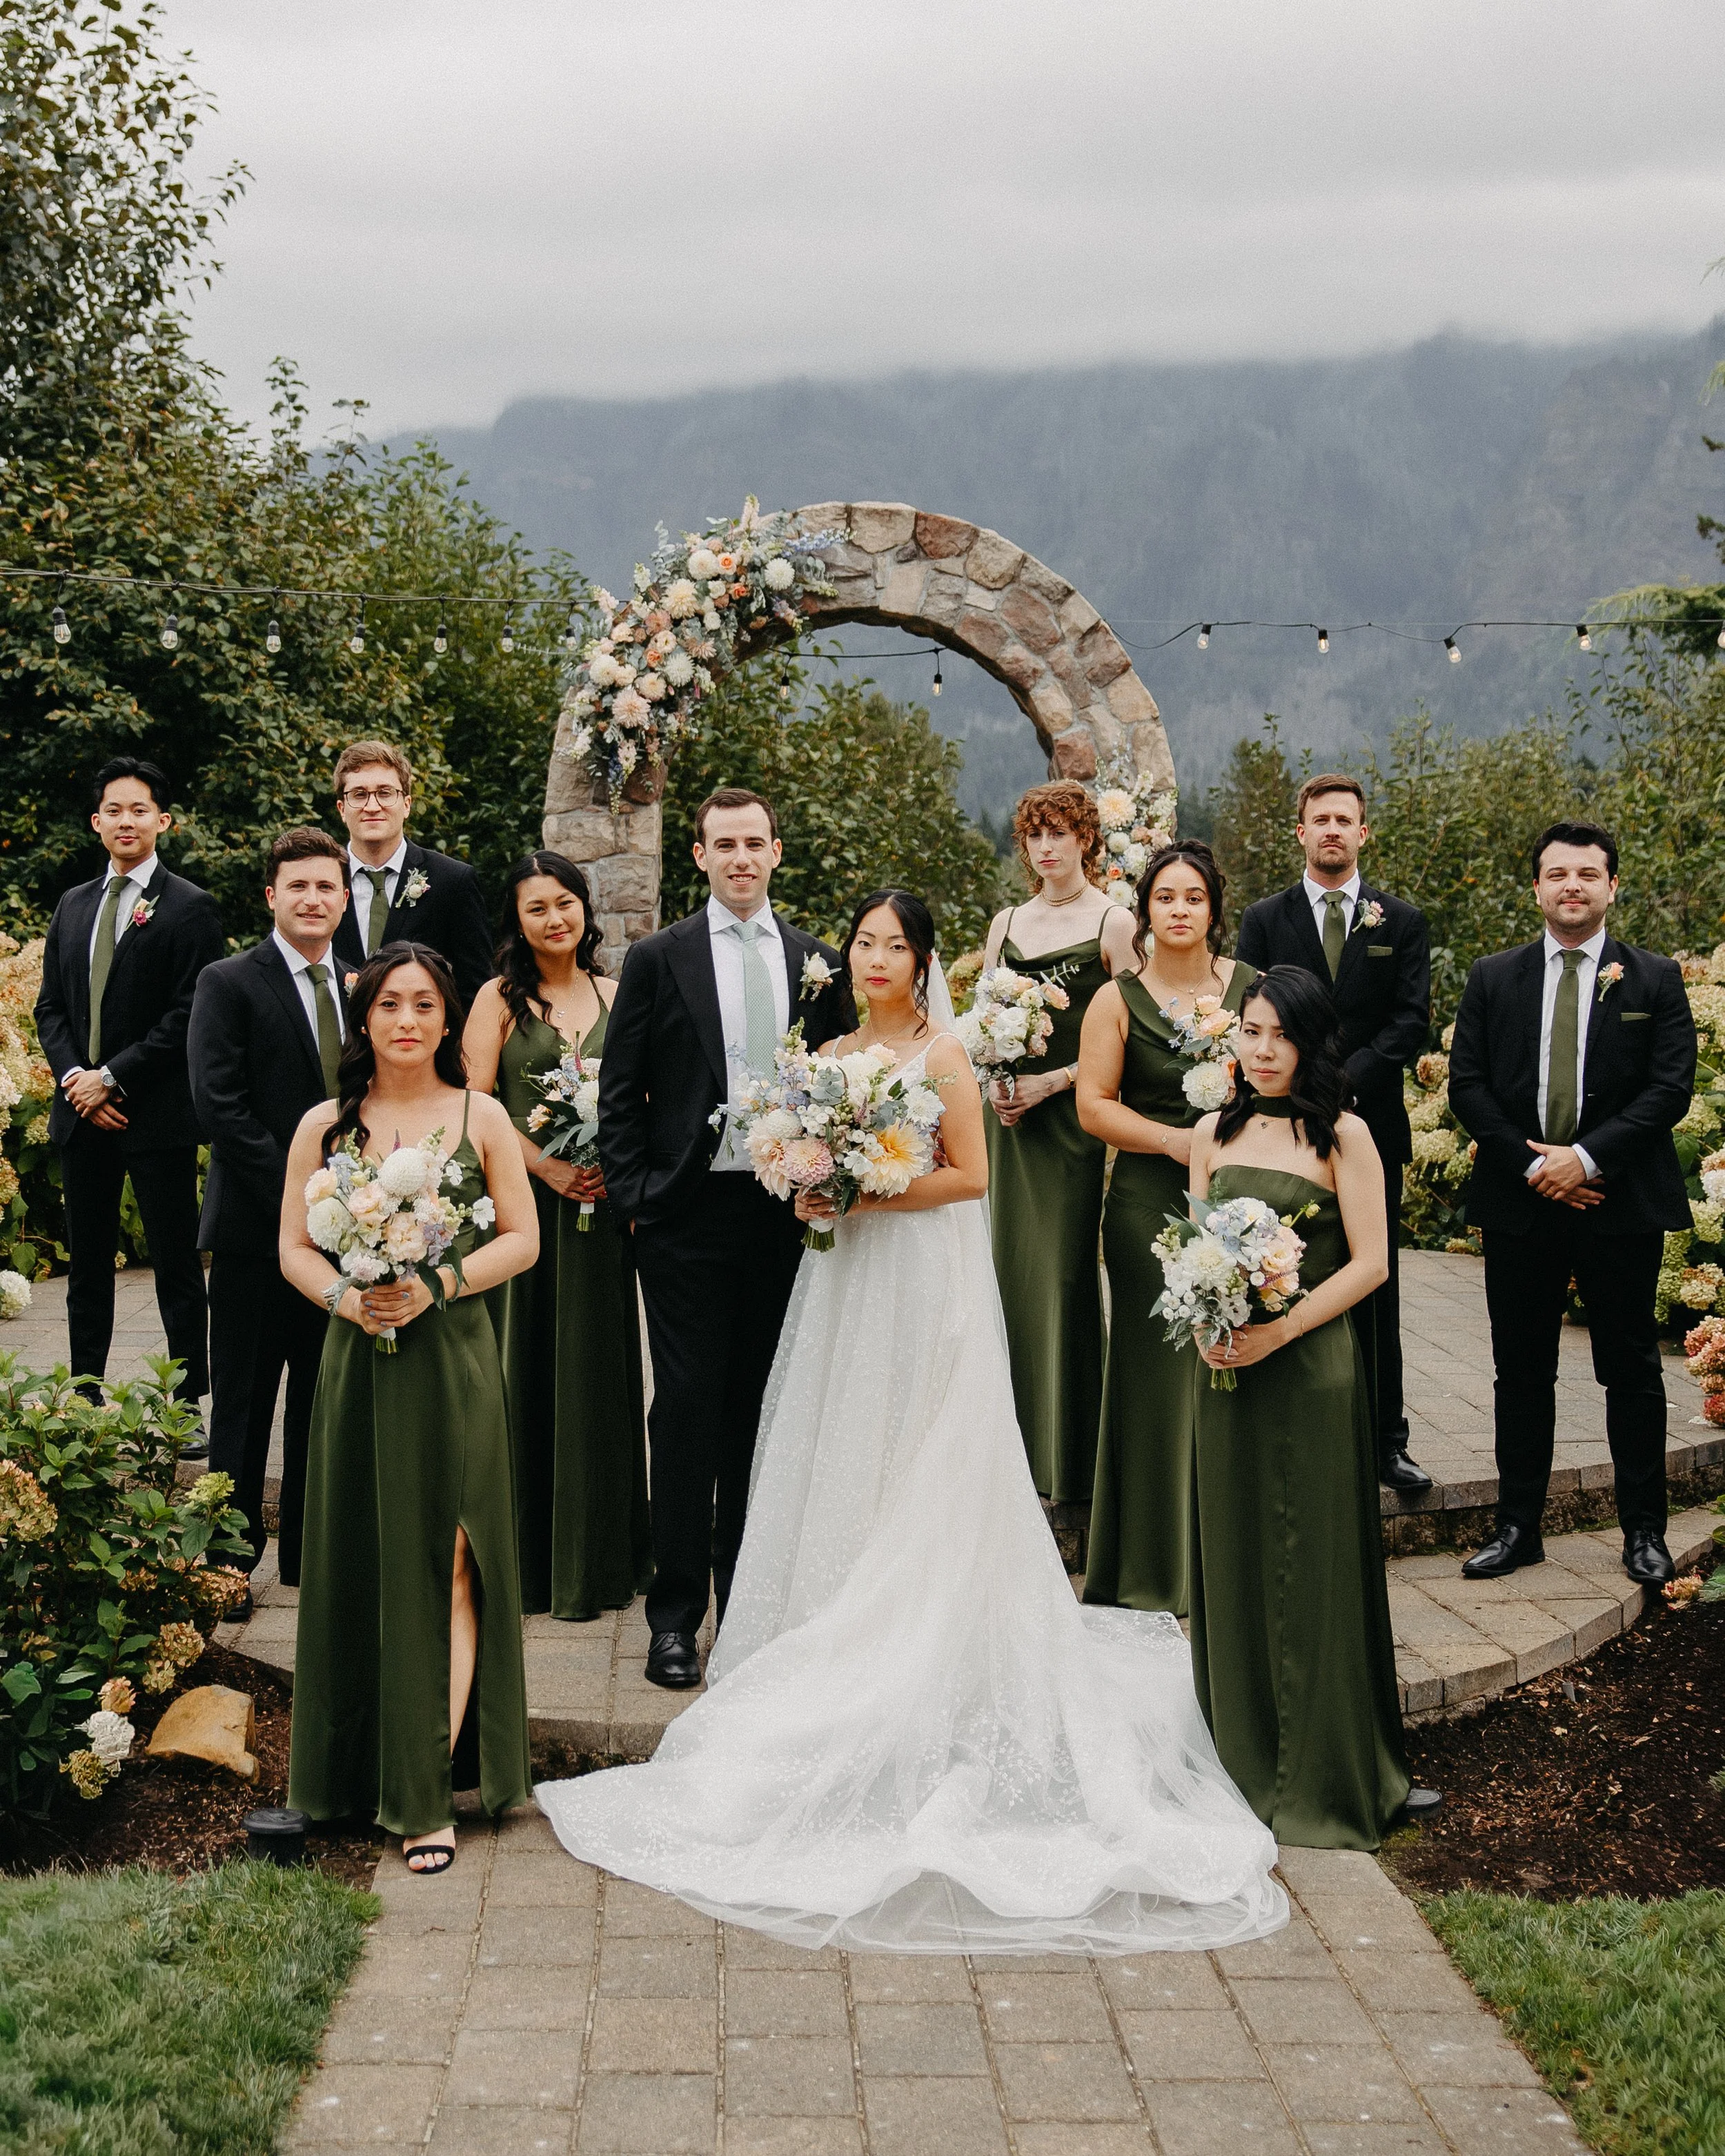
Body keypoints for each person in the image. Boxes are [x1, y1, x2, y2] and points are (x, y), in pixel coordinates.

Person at [537, 893, 1286, 1955]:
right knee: (840, 1440)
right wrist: (811, 1180)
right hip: (844, 1283)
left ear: (926, 961)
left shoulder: (940, 1052)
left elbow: (973, 1176)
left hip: (920, 1273)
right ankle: (830, 1620)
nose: (875, 958)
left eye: (894, 946)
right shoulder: (830, 1051)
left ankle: (922, 1629)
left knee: (924, 1451)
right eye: (864, 943)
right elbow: (798, 1154)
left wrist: (866, 1192)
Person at [283, 943, 539, 1872]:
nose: (405, 1020)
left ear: (445, 1017)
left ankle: (428, 1794)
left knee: (455, 1554)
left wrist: (440, 1283)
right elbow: (293, 1250)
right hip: (360, 1366)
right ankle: (351, 1776)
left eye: (424, 1004)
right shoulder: (325, 1127)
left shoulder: (482, 1117)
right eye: (389, 1003)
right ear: (365, 1018)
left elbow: (524, 1239)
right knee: (361, 1557)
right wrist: (347, 1298)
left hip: (453, 1361)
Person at [596, 789, 853, 1689]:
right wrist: (635, 1198)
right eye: (724, 845)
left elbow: (841, 1082)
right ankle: (673, 1618)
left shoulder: (818, 961)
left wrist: (830, 1185)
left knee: (762, 1413)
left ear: (775, 852)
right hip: (684, 1216)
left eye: (754, 843)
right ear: (699, 857)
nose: (741, 857)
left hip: (782, 1219)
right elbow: (619, 1086)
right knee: (687, 1410)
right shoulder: (659, 958)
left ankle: (745, 1607)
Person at [1187, 967, 1424, 1850]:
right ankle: (1237, 1758)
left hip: (1310, 1365)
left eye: (1280, 1034)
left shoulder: (1346, 1136)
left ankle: (1328, 1765)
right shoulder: (1212, 1131)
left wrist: (1277, 1332)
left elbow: (1371, 1264)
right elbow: (1194, 1246)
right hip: (1224, 1377)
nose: (1261, 1048)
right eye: (1250, 1031)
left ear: (1311, 1041)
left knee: (1316, 1565)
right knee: (1235, 1553)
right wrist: (1209, 1322)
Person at [1448, 821, 1695, 1587]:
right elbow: (1468, 1085)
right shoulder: (1494, 976)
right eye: (1557, 873)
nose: (1572, 886)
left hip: (1617, 1204)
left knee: (1630, 1371)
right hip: (1521, 1203)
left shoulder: (1652, 978)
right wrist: (1535, 1166)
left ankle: (1644, 1532)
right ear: (1536, 887)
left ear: (1612, 886)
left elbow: (1669, 1089)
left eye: (1588, 873)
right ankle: (1518, 1527)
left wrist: (1585, 1159)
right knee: (1520, 1372)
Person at [463, 853, 650, 1621]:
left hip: (603, 1215)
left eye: (565, 902)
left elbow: (643, 1092)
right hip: (526, 1215)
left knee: (599, 1376)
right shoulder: (497, 1001)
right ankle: (532, 1564)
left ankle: (602, 1556)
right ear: (517, 921)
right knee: (527, 1371)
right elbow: (472, 1103)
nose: (554, 918)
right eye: (536, 907)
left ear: (585, 908)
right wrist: (543, 1166)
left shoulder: (617, 991)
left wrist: (615, 1163)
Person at [1235, 775, 1433, 1494]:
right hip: (1281, 1128)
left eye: (1344, 820)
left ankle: (1388, 1441)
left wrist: (1340, 1081)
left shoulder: (1400, 922)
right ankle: (1307, 1422)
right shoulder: (1265, 918)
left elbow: (1410, 1021)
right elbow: (1251, 1010)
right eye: (1319, 819)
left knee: (1376, 1286)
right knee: (1293, 1269)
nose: (1331, 830)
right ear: (1300, 831)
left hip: (1368, 1125)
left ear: (1362, 832)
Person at [1078, 840, 1254, 1615]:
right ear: (1144, 911)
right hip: (1150, 1201)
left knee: (1235, 1364)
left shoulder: (1252, 992)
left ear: (1215, 906)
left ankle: (1228, 1554)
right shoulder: (1116, 998)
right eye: (1164, 898)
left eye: (1193, 896)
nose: (1178, 909)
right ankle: (1151, 1563)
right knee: (1154, 1377)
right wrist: (1176, 1141)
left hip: (1244, 1202)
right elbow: (1094, 1105)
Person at [34, 756, 223, 1430]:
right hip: (83, 1115)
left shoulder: (191, 907)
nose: (126, 820)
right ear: (96, 822)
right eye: (113, 809)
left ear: (163, 821)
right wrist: (76, 1082)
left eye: (139, 809)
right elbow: (51, 1008)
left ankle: (188, 1402)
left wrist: (111, 1076)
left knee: (175, 1265)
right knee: (87, 1265)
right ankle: (84, 1395)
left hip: (156, 1115)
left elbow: (187, 1014)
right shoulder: (74, 904)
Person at [188, 827, 351, 1608]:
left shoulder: (362, 984)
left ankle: (312, 1560)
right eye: (299, 887)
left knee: (324, 1399)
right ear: (272, 897)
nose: (313, 899)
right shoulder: (228, 981)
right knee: (246, 1402)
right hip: (257, 1234)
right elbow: (219, 1106)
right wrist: (307, 1193)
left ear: (344, 897)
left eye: (327, 887)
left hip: (345, 1243)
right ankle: (225, 1560)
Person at [980, 782, 1137, 1504]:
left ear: (1085, 839)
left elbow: (1135, 1036)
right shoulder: (1006, 920)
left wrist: (1056, 1083)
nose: (1047, 846)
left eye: (1061, 833)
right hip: (1007, 1126)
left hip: (1070, 1125)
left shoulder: (1112, 921)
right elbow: (983, 1023)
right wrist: (994, 1084)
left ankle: (1070, 1460)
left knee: (1065, 1279)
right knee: (1004, 1278)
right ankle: (1008, 1452)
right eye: (1035, 834)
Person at [327, 740, 492, 1008]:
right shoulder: (320, 884)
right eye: (359, 794)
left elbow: (476, 991)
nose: (372, 806)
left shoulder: (453, 882)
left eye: (385, 793)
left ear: (406, 804)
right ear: (342, 809)